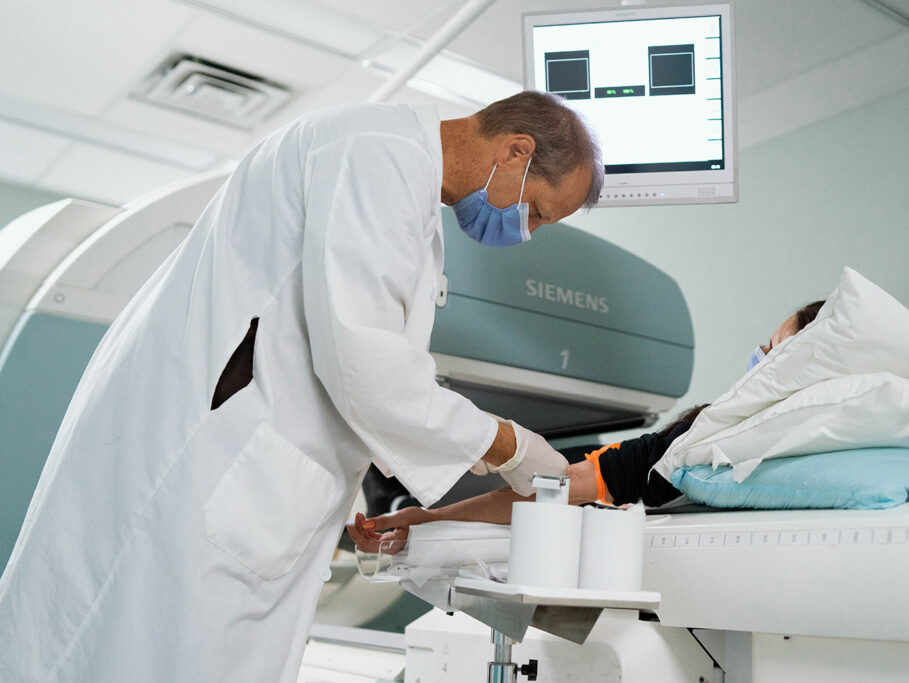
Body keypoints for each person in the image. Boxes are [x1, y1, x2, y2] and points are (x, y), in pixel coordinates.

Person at [0, 91, 603, 682]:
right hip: (206, 480)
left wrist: (348, 498)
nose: (525, 231)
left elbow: (310, 362)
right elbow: (369, 370)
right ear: (516, 151)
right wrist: (513, 447)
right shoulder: (375, 155)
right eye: (537, 211)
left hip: (239, 480)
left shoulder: (397, 177)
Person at [348, 301, 826, 552]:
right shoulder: (695, 438)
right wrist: (428, 520)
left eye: (772, 347)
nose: (759, 356)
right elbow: (553, 491)